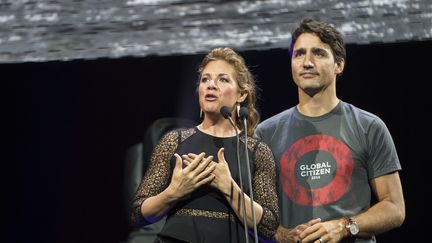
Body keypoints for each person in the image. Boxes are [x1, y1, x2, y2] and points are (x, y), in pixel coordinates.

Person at [255, 18, 405, 243]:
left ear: (339, 65)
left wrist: (344, 226)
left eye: (318, 53)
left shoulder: (369, 126)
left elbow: (394, 208)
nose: (307, 62)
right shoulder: (266, 132)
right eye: (299, 54)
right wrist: (281, 234)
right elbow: (253, 211)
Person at [131, 47, 279, 243]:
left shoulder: (257, 151)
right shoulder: (174, 141)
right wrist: (173, 192)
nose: (211, 85)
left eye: (223, 79)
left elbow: (269, 226)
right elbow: (138, 214)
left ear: (241, 94)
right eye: (205, 79)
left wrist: (227, 186)